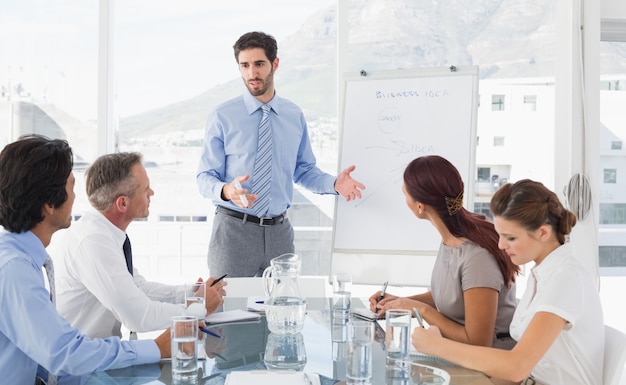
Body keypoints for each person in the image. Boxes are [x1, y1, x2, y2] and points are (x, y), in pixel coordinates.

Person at [0, 135, 171, 385]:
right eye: (71, 187)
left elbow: (41, 355)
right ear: (48, 204)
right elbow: (64, 351)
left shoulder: (22, 257)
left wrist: (106, 384)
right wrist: (153, 348)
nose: (77, 197)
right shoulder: (13, 267)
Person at [412, 179, 604, 385]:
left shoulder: (566, 278)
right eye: (499, 235)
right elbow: (520, 373)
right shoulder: (542, 274)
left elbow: (517, 366)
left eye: (510, 238)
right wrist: (452, 384)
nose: (501, 245)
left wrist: (438, 346)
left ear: (543, 232)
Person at [196, 31, 365, 277]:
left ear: (275, 64)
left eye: (259, 64)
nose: (252, 73)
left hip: (279, 234)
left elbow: (303, 170)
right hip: (233, 233)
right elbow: (204, 177)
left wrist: (334, 183)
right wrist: (226, 190)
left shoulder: (293, 115)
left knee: (284, 310)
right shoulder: (222, 116)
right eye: (245, 65)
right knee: (228, 310)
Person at [49, 152, 226, 339]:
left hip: (101, 354)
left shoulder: (105, 234)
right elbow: (138, 316)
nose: (152, 193)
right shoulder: (93, 241)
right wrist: (198, 309)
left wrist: (191, 292)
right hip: (83, 363)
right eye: (145, 189)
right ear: (122, 203)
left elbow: (137, 288)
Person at [369, 155, 519, 349]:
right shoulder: (454, 238)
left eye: (405, 194)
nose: (404, 199)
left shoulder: (477, 257)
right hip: (459, 355)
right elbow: (452, 296)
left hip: (488, 367)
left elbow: (479, 342)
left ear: (420, 206)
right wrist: (399, 302)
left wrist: (418, 308)